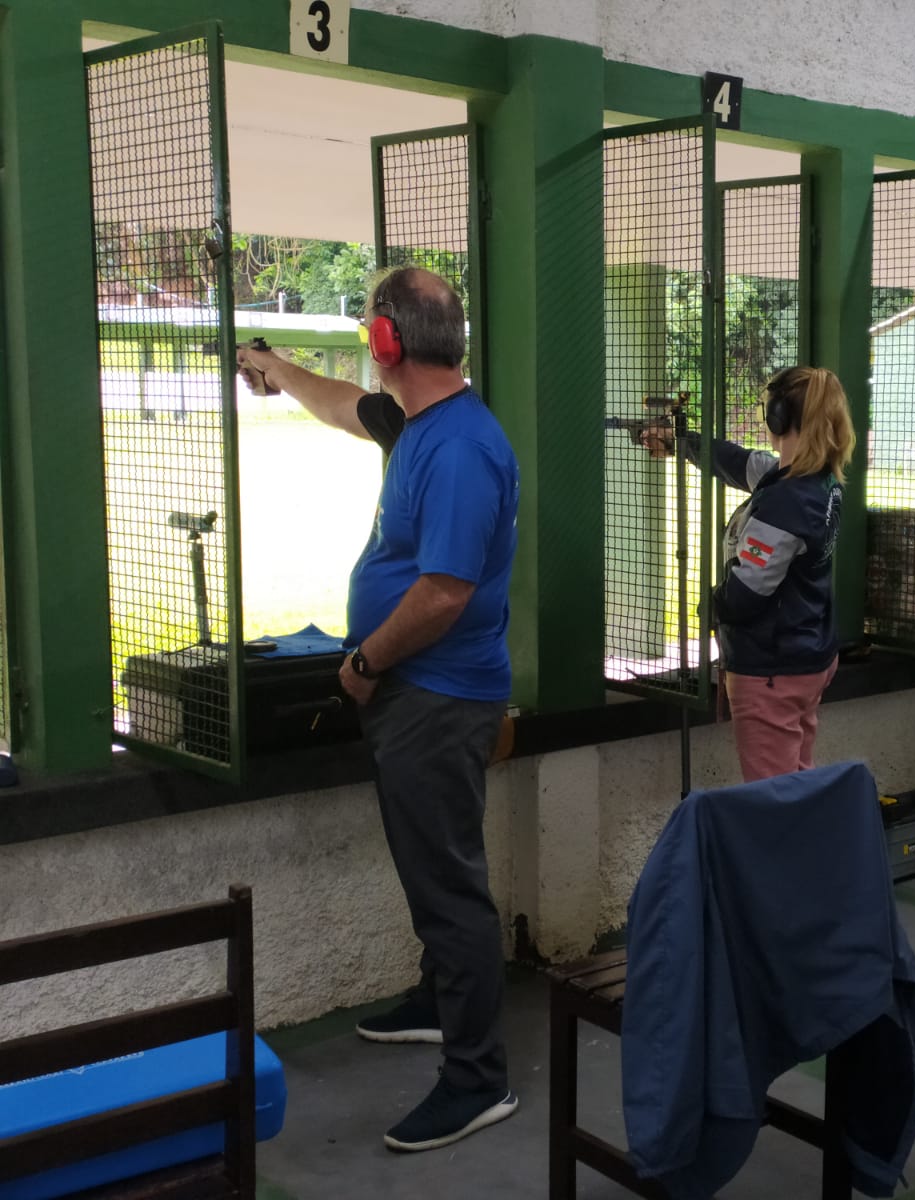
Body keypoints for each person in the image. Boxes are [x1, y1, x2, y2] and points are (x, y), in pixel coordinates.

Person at [236, 268, 520, 1153]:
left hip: (436, 697)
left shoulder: (459, 449)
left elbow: (444, 593)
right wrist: (274, 368)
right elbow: (342, 405)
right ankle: (440, 1003)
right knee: (433, 869)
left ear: (388, 340)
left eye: (370, 325)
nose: (367, 340)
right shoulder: (416, 423)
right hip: (422, 696)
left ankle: (477, 1080)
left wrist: (364, 663)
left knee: (450, 889)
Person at [642, 367, 855, 782]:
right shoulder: (815, 478)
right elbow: (738, 463)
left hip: (772, 670)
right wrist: (681, 442)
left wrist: (709, 606)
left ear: (779, 416)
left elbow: (745, 595)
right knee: (797, 783)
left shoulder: (785, 503)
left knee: (771, 796)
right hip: (805, 657)